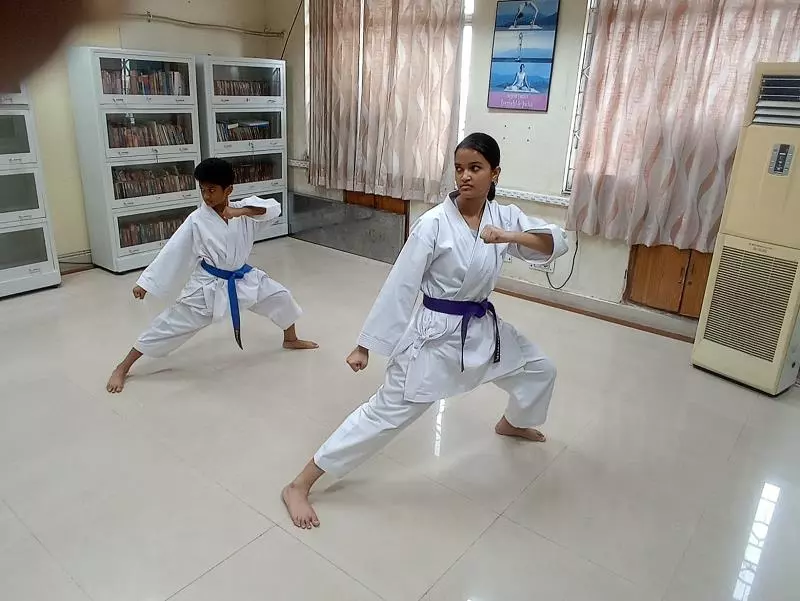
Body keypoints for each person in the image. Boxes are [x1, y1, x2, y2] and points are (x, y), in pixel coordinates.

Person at [282, 133, 569, 528]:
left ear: (495, 173)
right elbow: (401, 285)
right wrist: (366, 345)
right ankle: (300, 484)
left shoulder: (504, 218)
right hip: (434, 337)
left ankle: (513, 422)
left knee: (540, 368)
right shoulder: (433, 224)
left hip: (482, 328)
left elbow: (555, 243)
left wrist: (508, 237)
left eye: (475, 168)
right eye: (459, 168)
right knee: (384, 415)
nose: (465, 176)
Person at [106, 158, 317, 393]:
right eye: (203, 190)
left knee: (280, 296)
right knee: (168, 325)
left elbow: (273, 208)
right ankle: (123, 367)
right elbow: (173, 251)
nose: (207, 196)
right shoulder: (197, 220)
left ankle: (290, 339)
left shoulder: (245, 211)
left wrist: (240, 211)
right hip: (208, 285)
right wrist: (145, 283)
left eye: (212, 190)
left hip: (243, 278)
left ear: (229, 190)